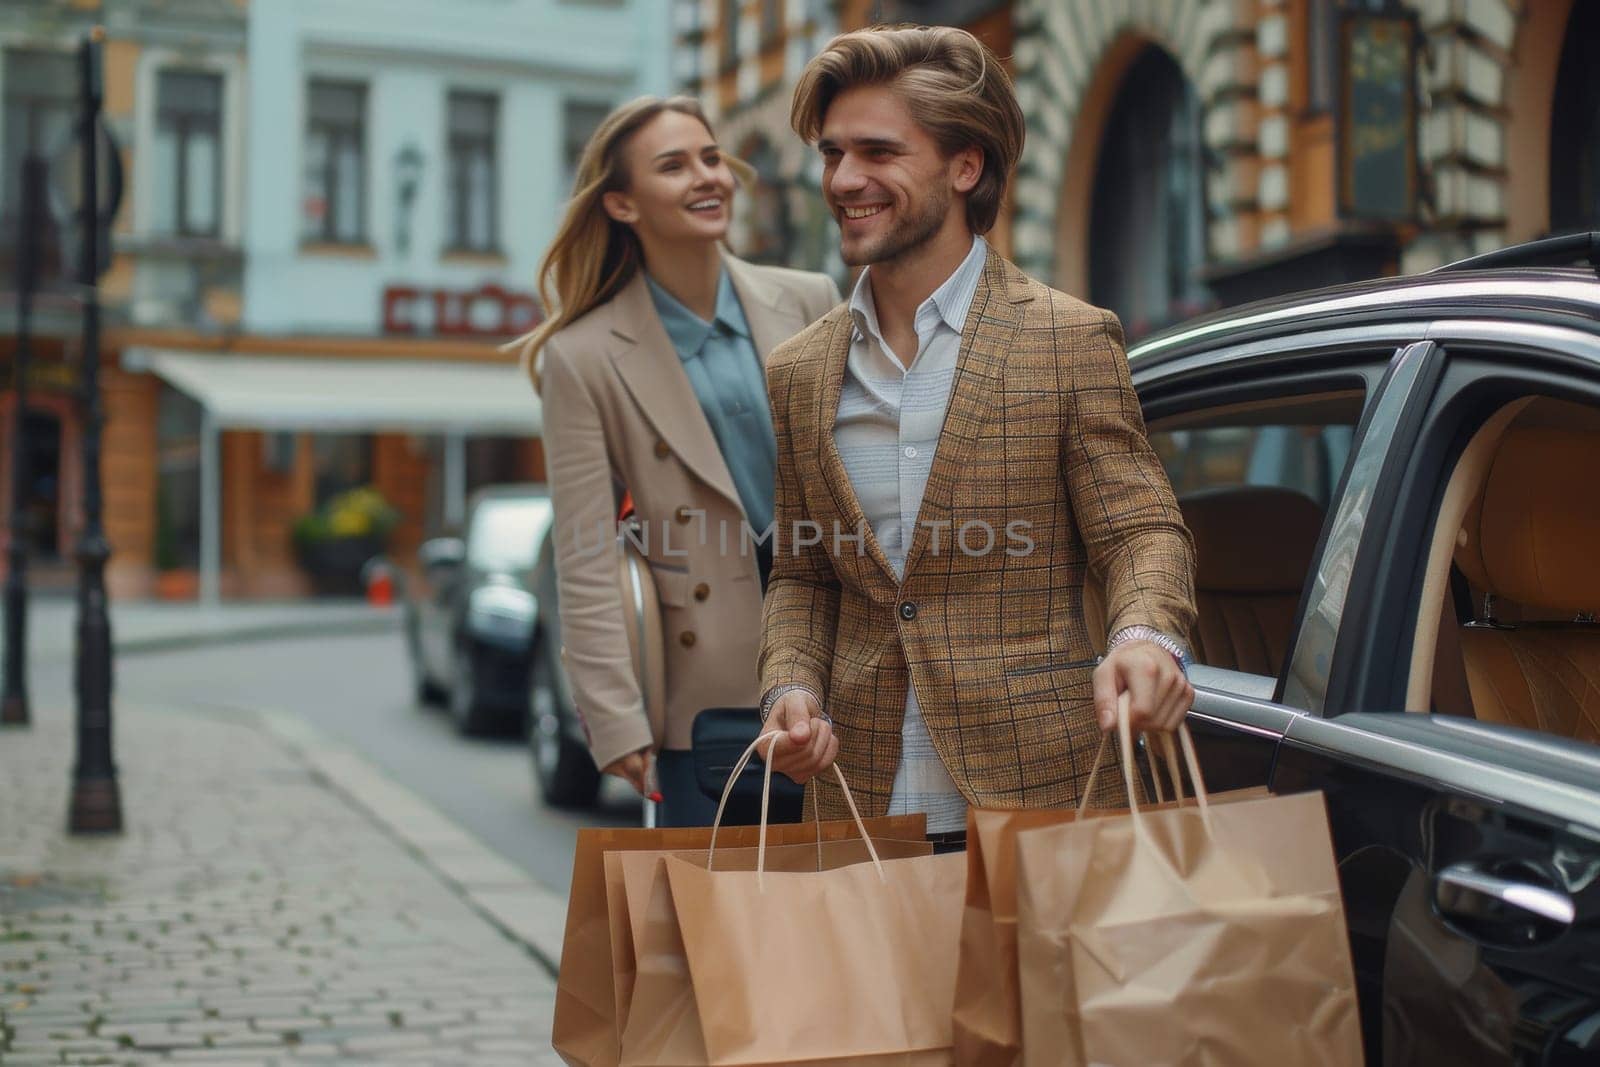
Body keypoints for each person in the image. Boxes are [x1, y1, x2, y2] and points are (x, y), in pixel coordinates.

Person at [756, 27, 1197, 841]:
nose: (846, 180)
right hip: (860, 805)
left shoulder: (1068, 337)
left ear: (966, 166)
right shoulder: (798, 370)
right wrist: (791, 686)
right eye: (832, 154)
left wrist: (1142, 635)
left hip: (1041, 797)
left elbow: (1139, 530)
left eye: (879, 152)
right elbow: (802, 573)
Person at [520, 96, 840, 827]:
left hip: (840, 669)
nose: (707, 177)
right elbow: (586, 552)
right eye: (674, 166)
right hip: (706, 702)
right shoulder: (583, 358)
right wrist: (613, 716)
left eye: (709, 157)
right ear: (623, 203)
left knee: (848, 916)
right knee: (724, 926)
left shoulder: (812, 300)